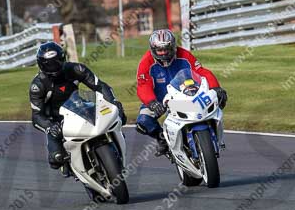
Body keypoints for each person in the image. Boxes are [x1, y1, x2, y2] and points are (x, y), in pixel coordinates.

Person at [29, 41, 126, 169]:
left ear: (63, 58)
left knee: (118, 119)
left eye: (57, 61)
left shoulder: (76, 69)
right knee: (56, 159)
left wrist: (113, 102)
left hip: (81, 108)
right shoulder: (38, 85)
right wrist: (50, 127)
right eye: (49, 64)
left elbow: (101, 86)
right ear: (42, 65)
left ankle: (114, 148)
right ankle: (72, 166)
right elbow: (36, 116)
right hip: (57, 121)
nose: (54, 67)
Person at [136, 29, 227, 155]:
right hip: (159, 100)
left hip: (186, 94)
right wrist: (151, 102)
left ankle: (215, 137)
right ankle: (162, 139)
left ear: (173, 46)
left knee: (216, 101)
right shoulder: (146, 62)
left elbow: (201, 71)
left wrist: (216, 87)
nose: (163, 53)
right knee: (143, 121)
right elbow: (143, 85)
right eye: (159, 50)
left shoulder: (184, 54)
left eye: (166, 49)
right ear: (152, 49)